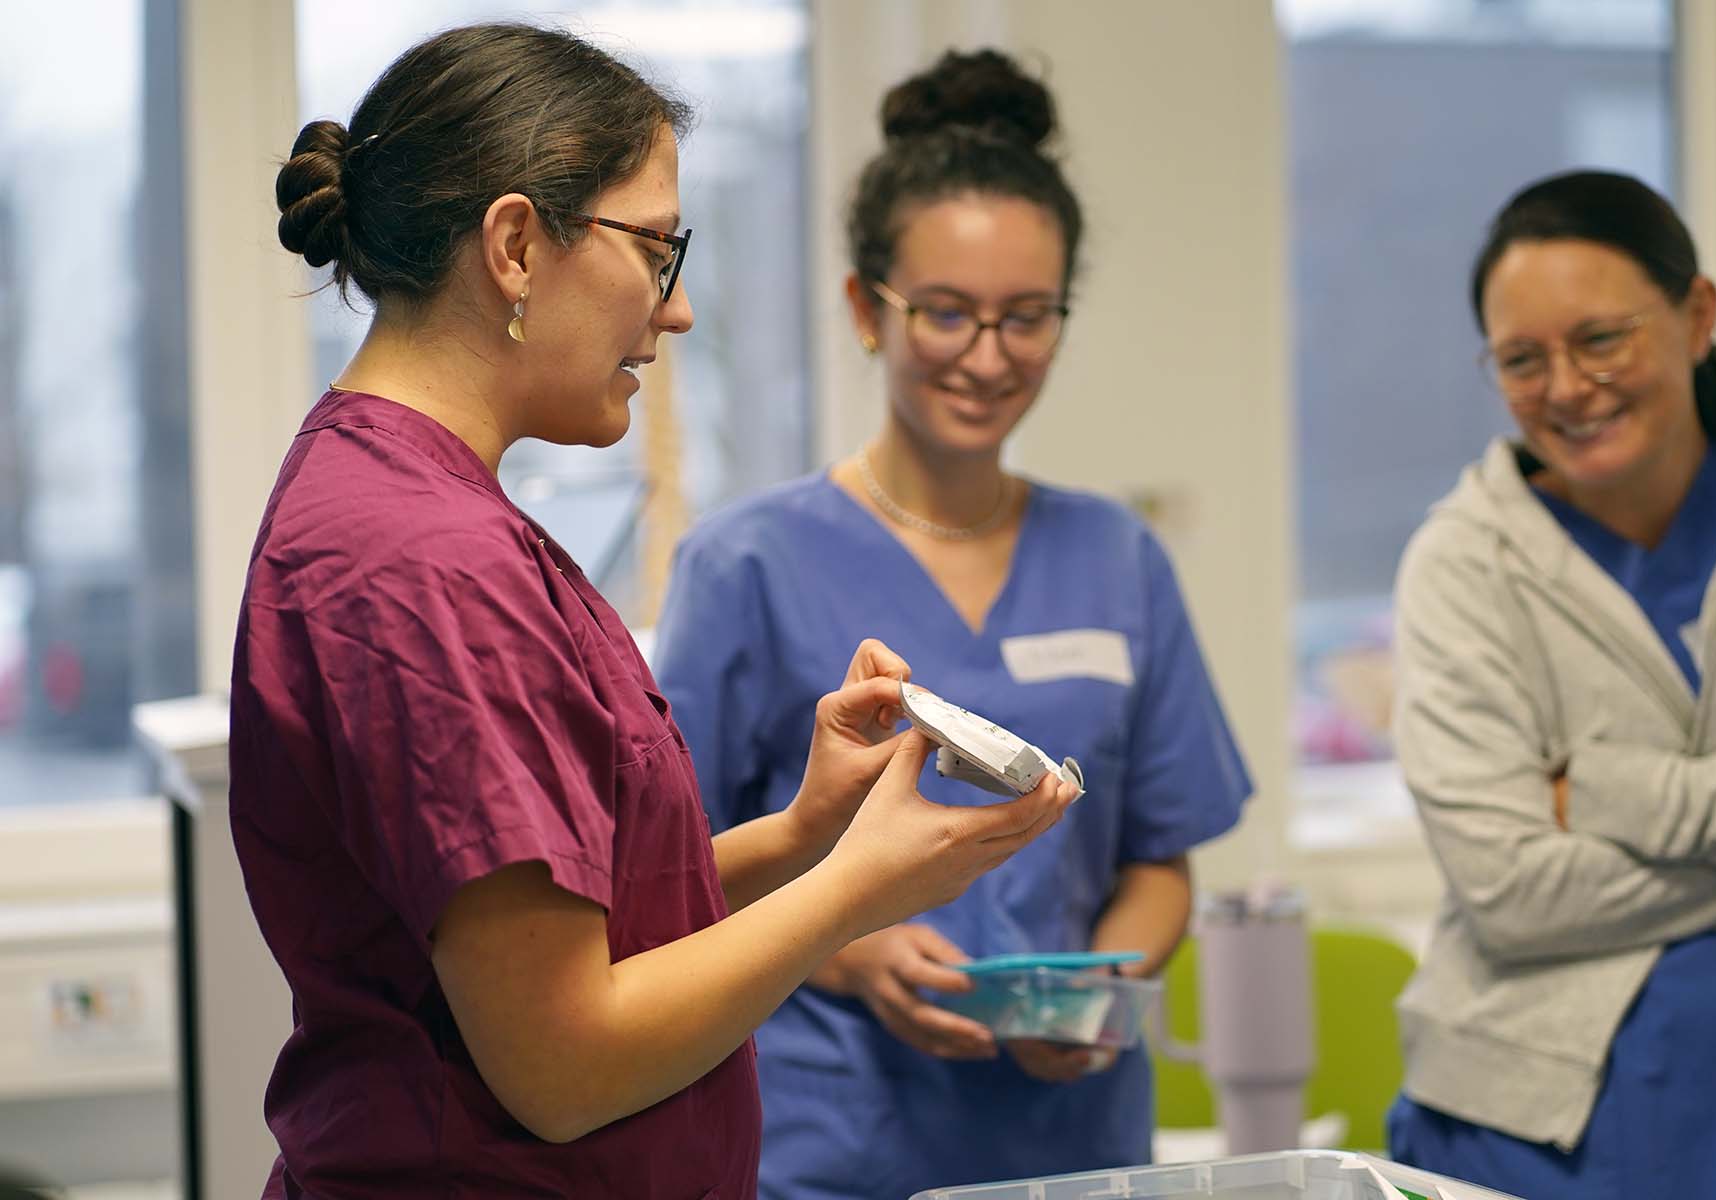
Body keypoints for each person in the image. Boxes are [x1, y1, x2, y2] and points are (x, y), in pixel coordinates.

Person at [235, 24, 1076, 1199]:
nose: (675, 315)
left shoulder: (419, 511)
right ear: (518, 246)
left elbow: (577, 931)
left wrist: (802, 836)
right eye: (656, 252)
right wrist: (859, 894)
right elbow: (563, 1064)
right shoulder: (424, 562)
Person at [651, 49, 1252, 1200]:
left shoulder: (1119, 558)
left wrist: (1095, 986)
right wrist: (850, 947)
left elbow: (1161, 859)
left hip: (1074, 1151)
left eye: (1027, 317)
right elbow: (680, 879)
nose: (988, 356)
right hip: (831, 1148)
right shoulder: (747, 565)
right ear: (863, 309)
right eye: (947, 313)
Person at [1387, 169, 1716, 1198]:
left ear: (1697, 315)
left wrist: (1600, 791)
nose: (1569, 388)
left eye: (1600, 339)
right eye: (1522, 360)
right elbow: (1513, 895)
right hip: (1536, 1113)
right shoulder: (1462, 565)